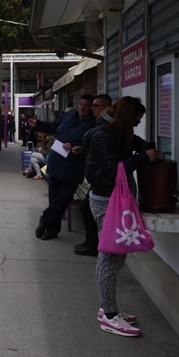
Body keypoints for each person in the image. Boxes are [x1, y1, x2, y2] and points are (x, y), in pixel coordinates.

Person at [85, 96, 158, 337]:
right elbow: (112, 170)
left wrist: (147, 147)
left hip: (114, 202)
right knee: (108, 258)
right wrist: (141, 158)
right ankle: (109, 315)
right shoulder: (104, 136)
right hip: (106, 203)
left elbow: (137, 142)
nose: (137, 125)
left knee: (117, 257)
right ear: (127, 119)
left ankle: (108, 308)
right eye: (136, 121)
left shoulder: (118, 133)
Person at [30, 95, 96, 241]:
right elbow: (54, 126)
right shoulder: (70, 115)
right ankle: (52, 230)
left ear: (91, 108)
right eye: (81, 104)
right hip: (55, 163)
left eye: (86, 106)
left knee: (62, 200)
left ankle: (45, 219)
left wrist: (77, 147)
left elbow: (92, 145)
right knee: (54, 200)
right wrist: (39, 124)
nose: (82, 107)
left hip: (73, 168)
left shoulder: (93, 124)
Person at [74, 94, 112, 257]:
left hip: (102, 182)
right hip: (96, 180)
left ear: (106, 107)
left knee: (91, 212)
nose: (91, 109)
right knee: (87, 210)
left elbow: (105, 156)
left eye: (95, 105)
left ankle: (95, 245)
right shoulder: (99, 125)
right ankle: (90, 242)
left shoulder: (106, 128)